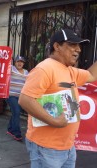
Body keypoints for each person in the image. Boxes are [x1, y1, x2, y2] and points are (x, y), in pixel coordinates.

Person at [19, 29, 97, 168]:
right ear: (57, 46)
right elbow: (25, 100)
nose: (78, 49)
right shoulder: (45, 69)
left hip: (67, 147)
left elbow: (91, 75)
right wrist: (54, 121)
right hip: (46, 148)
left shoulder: (70, 70)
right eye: (72, 44)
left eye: (79, 46)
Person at [6, 56, 28, 141]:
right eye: (18, 61)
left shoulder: (26, 72)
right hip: (11, 95)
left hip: (20, 97)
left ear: (24, 63)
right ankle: (17, 133)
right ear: (14, 62)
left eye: (21, 62)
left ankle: (10, 129)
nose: (19, 63)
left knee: (15, 113)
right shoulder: (11, 69)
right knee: (17, 112)